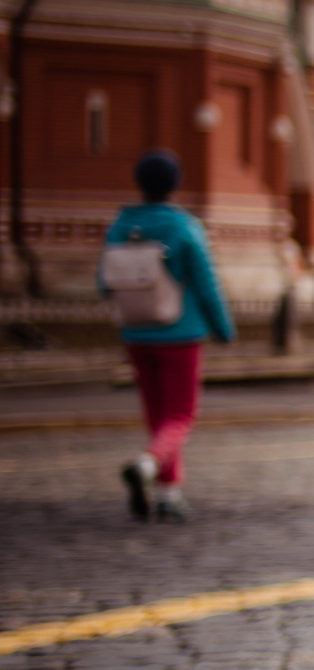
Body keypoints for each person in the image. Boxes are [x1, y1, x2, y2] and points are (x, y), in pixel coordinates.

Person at [100, 150, 233, 523]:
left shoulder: (120, 225)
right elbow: (207, 286)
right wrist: (223, 329)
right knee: (180, 416)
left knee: (157, 416)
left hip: (136, 333)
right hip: (181, 334)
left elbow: (103, 281)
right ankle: (147, 466)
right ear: (174, 184)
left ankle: (168, 493)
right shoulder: (184, 227)